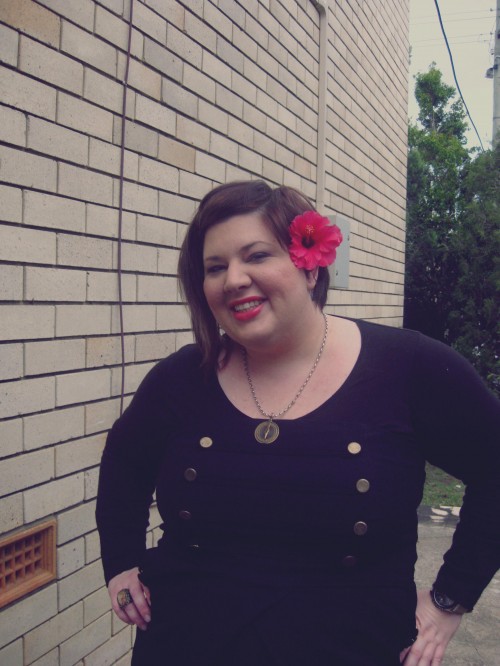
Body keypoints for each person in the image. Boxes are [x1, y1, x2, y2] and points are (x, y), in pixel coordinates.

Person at [96, 180, 500, 666]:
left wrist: (448, 602)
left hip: (353, 647)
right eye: (215, 267)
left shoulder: (409, 367)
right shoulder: (182, 376)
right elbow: (124, 462)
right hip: (186, 643)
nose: (234, 280)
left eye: (257, 256)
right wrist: (120, 563)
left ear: (309, 267)